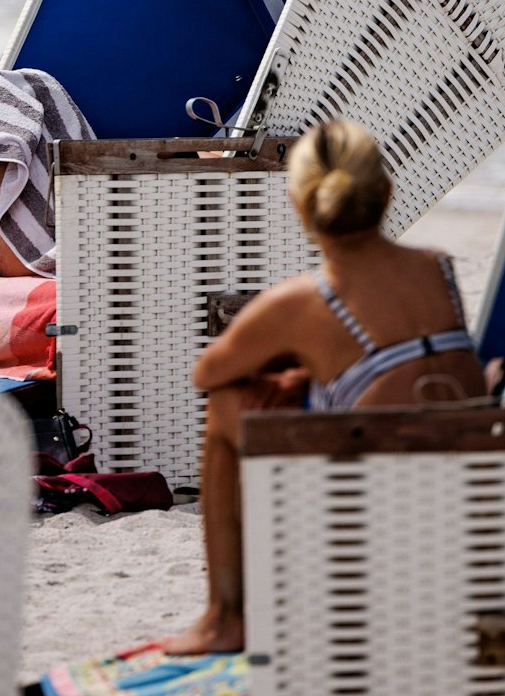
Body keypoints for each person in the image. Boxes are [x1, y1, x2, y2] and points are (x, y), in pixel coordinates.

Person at [160, 119, 487, 655]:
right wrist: (314, 368)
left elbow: (207, 373)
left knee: (229, 403)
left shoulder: (304, 302)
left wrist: (296, 363)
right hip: (464, 485)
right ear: (387, 194)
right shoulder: (439, 268)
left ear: (299, 205)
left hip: (366, 504)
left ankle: (224, 617)